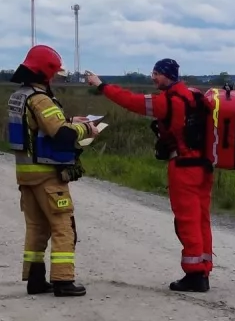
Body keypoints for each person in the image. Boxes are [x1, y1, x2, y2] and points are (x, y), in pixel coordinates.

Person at [84, 59, 213, 292]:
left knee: (187, 220)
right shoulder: (193, 95)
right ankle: (204, 268)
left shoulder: (167, 101)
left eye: (156, 74)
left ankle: (194, 275)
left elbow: (130, 101)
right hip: (203, 167)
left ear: (168, 75)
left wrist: (101, 85)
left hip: (183, 167)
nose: (153, 77)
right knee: (201, 218)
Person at [8, 44, 102, 297]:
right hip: (47, 174)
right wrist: (87, 128)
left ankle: (35, 279)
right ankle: (63, 280)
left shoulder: (19, 96)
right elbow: (59, 134)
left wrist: (71, 120)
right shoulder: (40, 99)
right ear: (45, 72)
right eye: (54, 74)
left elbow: (37, 127)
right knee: (63, 226)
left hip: (26, 175)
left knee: (36, 228)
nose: (56, 79)